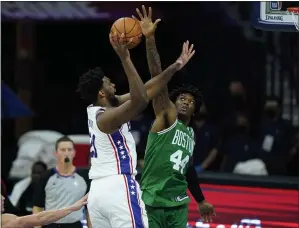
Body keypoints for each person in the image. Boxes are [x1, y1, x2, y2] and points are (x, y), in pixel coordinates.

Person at [77, 21, 194, 228]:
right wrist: (125, 59)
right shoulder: (105, 119)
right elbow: (141, 100)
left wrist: (176, 65)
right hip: (118, 186)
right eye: (107, 82)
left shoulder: (105, 109)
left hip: (97, 192)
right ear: (101, 93)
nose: (113, 83)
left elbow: (149, 89)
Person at [133, 6, 215, 227]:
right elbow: (156, 75)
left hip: (178, 202)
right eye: (181, 98)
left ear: (195, 110)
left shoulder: (190, 134)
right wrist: (150, 39)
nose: (186, 102)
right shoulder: (166, 118)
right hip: (152, 199)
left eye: (191, 101)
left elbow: (187, 169)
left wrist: (201, 200)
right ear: (173, 101)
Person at [33, 136, 91, 228]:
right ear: (56, 153)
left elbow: (89, 208)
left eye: (69, 149)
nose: (66, 153)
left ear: (74, 153)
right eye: (63, 150)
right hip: (51, 225)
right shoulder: (46, 176)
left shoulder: (84, 177)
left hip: (74, 225)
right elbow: (38, 207)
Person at [2, 194, 88, 228]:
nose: (3, 198)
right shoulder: (4, 221)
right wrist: (71, 208)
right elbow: (40, 218)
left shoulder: (6, 217)